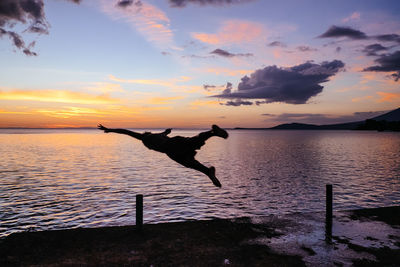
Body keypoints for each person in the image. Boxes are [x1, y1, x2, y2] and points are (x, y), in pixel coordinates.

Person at [97, 124, 228, 187]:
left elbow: (125, 131)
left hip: (171, 149)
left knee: (190, 158)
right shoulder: (158, 135)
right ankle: (208, 171)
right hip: (172, 147)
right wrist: (166, 131)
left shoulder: (143, 137)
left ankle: (212, 134)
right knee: (191, 151)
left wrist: (109, 130)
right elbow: (163, 133)